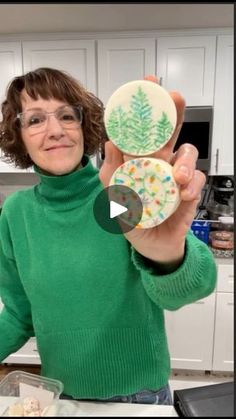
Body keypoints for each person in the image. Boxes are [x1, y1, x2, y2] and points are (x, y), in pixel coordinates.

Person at [0, 68, 216, 405]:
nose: (55, 130)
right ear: (19, 135)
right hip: (61, 395)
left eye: (67, 115)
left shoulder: (116, 195)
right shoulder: (17, 214)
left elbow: (189, 288)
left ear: (85, 127)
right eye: (35, 120)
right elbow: (18, 314)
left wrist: (168, 256)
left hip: (138, 398)